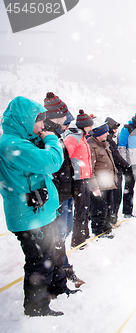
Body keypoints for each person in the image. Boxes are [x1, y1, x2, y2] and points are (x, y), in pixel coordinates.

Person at [0, 97, 78, 317]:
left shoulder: (21, 140)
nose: (42, 126)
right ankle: (36, 308)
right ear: (25, 120)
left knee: (53, 254)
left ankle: (57, 289)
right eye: (39, 121)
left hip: (40, 213)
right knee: (39, 262)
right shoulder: (12, 144)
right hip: (28, 216)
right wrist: (52, 139)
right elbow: (52, 161)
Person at [42, 93, 84, 286]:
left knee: (64, 230)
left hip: (66, 192)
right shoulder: (46, 135)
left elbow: (66, 165)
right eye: (64, 116)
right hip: (57, 194)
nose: (65, 121)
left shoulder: (57, 134)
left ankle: (59, 267)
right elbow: (52, 167)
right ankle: (60, 270)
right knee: (56, 235)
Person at [64, 109, 94, 248]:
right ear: (83, 125)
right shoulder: (72, 137)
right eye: (90, 125)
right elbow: (66, 158)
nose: (91, 128)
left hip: (85, 177)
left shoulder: (82, 137)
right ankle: (77, 240)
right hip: (78, 178)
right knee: (80, 209)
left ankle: (85, 234)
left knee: (86, 207)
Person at [88, 123, 118, 238]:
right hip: (99, 184)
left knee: (107, 207)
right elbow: (91, 169)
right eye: (104, 132)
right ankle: (98, 231)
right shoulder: (92, 146)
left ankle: (106, 227)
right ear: (98, 133)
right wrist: (94, 186)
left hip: (108, 183)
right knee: (99, 209)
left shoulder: (104, 144)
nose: (107, 134)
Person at [105, 117, 130, 225]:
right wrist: (126, 165)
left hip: (116, 170)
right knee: (115, 197)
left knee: (116, 196)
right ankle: (111, 219)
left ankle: (113, 218)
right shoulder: (108, 141)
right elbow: (116, 156)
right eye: (114, 128)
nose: (116, 130)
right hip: (114, 171)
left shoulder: (111, 140)